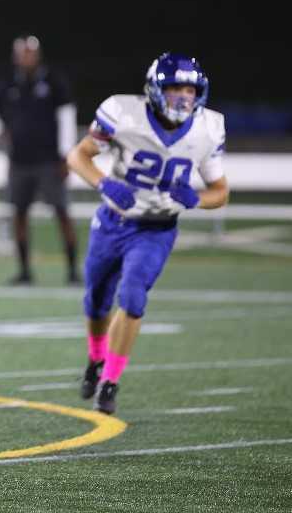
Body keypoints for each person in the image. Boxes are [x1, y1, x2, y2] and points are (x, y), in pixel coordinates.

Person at [67, 52, 230, 414]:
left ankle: (110, 381)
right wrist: (105, 184)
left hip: (156, 229)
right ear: (156, 89)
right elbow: (78, 156)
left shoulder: (209, 127)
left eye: (190, 89)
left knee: (134, 297)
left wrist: (196, 199)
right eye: (175, 88)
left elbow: (221, 192)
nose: (183, 97)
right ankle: (95, 359)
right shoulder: (123, 113)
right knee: (96, 300)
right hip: (113, 221)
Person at [0, 35, 80, 285]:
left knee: (62, 212)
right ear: (16, 56)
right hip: (19, 161)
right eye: (23, 53)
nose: (27, 57)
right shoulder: (8, 82)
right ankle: (24, 271)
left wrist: (66, 155)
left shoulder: (53, 80)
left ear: (38, 54)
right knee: (19, 214)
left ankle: (73, 270)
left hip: (49, 161)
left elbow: (67, 115)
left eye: (31, 53)